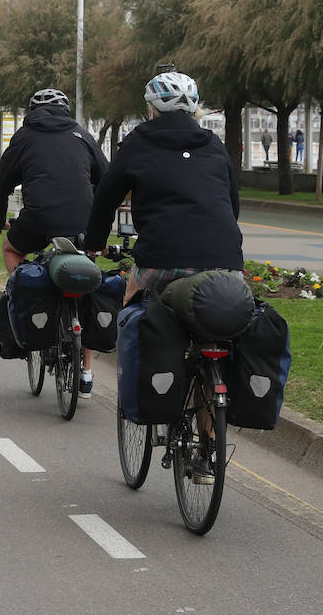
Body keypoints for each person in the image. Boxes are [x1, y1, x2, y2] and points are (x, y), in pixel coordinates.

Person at [85, 70, 242, 482]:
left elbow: (105, 198)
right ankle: (207, 453)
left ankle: (147, 380)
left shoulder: (137, 142)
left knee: (134, 302)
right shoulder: (213, 144)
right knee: (211, 338)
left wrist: (94, 242)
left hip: (161, 260)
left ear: (151, 108)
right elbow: (232, 203)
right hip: (224, 262)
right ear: (194, 107)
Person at [0, 88, 109, 398]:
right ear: (65, 111)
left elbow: (2, 185)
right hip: (84, 223)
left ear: (32, 111)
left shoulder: (24, 136)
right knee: (88, 280)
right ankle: (86, 373)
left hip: (38, 220)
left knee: (11, 249)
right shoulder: (82, 135)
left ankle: (27, 295)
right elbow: (106, 178)